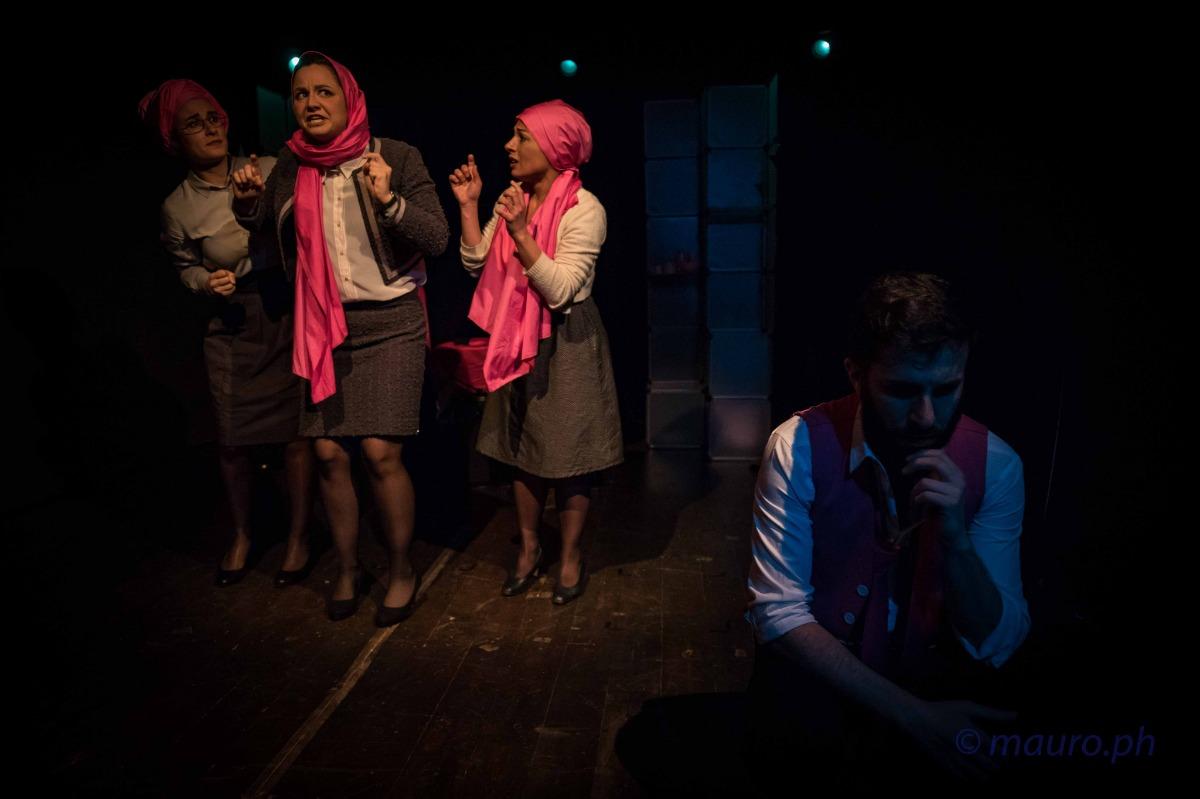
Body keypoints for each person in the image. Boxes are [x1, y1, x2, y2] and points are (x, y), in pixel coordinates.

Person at [745, 272, 1030, 783]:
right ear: (856, 374)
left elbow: (997, 638)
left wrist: (957, 542)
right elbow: (778, 612)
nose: (927, 416)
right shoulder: (797, 445)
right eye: (902, 391)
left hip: (935, 678)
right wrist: (914, 718)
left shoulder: (998, 464)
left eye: (947, 389)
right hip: (824, 684)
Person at [232, 52, 448, 625]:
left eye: (324, 92)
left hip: (392, 322)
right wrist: (247, 205)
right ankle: (349, 569)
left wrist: (389, 201)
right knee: (328, 454)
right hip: (323, 326)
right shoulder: (291, 164)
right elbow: (263, 228)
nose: (311, 103)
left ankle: (400, 569)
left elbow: (437, 236)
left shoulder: (395, 155)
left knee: (379, 452)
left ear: (349, 97)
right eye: (301, 94)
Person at [142, 79, 314, 588]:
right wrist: (204, 281)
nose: (210, 129)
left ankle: (300, 536)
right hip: (232, 322)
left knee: (296, 435)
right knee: (233, 441)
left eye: (213, 117)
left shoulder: (267, 168)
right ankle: (241, 534)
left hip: (282, 311)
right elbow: (184, 268)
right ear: (175, 141)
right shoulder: (178, 206)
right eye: (194, 124)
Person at [450, 100, 622, 604]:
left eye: (522, 136)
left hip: (565, 338)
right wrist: (469, 206)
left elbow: (561, 289)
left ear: (553, 146)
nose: (510, 145)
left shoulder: (585, 209)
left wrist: (522, 233)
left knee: (569, 455)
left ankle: (569, 555)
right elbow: (477, 262)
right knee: (520, 449)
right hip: (515, 331)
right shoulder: (514, 196)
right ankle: (528, 548)